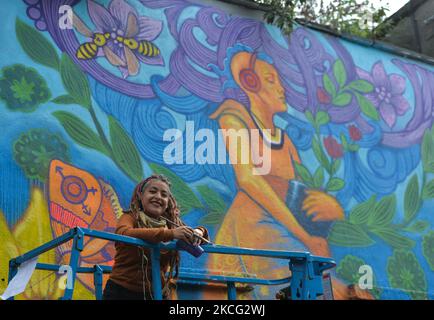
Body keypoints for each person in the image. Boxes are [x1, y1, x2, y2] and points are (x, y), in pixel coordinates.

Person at [203, 49, 370, 300]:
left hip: (281, 226)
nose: (281, 88)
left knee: (317, 269)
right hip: (251, 227)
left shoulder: (285, 141)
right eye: (271, 79)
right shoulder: (234, 117)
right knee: (302, 269)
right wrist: (305, 237)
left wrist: (328, 207)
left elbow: (292, 193)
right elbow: (249, 180)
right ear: (251, 82)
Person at [103, 174, 209, 300]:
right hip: (121, 292)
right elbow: (123, 233)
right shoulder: (130, 217)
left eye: (164, 195)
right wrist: (169, 234)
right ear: (141, 196)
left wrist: (199, 231)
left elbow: (197, 236)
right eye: (152, 191)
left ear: (168, 202)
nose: (158, 197)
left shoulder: (171, 223)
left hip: (157, 294)